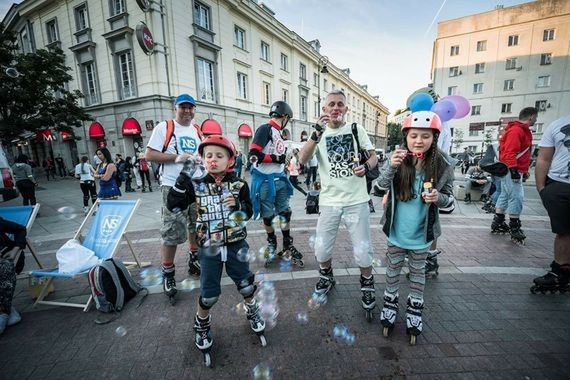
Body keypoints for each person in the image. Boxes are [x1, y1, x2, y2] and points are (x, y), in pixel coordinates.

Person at [166, 135, 264, 364]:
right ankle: (201, 322)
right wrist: (183, 177)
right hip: (208, 248)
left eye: (219, 156)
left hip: (235, 244)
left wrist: (238, 206)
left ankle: (252, 309)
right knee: (209, 294)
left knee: (246, 284)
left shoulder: (240, 184)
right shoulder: (196, 184)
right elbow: (173, 204)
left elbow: (248, 213)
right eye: (208, 155)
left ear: (230, 160)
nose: (213, 160)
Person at [376, 110, 454, 344]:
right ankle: (389, 306)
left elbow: (450, 202)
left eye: (425, 136)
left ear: (434, 138)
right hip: (396, 233)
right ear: (406, 137)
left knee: (418, 276)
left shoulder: (442, 165)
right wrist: (390, 166)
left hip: (422, 236)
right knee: (392, 272)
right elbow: (378, 187)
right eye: (414, 135)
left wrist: (438, 198)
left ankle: (414, 312)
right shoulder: (398, 160)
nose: (419, 140)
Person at [298, 90, 378, 319]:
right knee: (321, 248)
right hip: (330, 201)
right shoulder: (318, 134)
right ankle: (326, 276)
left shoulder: (355, 129)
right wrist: (315, 134)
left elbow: (372, 157)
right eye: (331, 104)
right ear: (324, 110)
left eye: (340, 105)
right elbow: (302, 160)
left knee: (363, 251)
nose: (335, 108)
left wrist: (367, 166)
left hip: (356, 200)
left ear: (345, 109)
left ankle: (367, 283)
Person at [145, 93, 203, 301]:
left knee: (195, 225)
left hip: (196, 185)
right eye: (183, 107)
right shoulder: (164, 127)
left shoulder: (197, 130)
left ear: (194, 109)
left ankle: (194, 259)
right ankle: (168, 273)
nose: (187, 111)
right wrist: (179, 157)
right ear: (175, 108)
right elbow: (149, 155)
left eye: (191, 108)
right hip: (172, 186)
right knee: (171, 232)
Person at [249, 100, 303, 267]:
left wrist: (281, 162)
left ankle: (287, 243)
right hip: (265, 182)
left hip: (280, 179)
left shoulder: (278, 133)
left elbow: (275, 156)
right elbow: (253, 154)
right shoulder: (265, 129)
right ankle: (272, 243)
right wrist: (275, 158)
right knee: (269, 216)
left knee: (285, 212)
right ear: (285, 117)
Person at [531, 115, 570, 294]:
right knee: (563, 232)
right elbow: (544, 158)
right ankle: (560, 271)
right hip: (560, 184)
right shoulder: (557, 124)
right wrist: (542, 188)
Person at [490, 107, 537, 245]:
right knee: (516, 196)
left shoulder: (518, 130)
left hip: (511, 169)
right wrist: (514, 169)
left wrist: (523, 170)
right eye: (535, 118)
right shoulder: (517, 130)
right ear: (531, 117)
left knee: (505, 194)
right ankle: (514, 226)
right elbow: (510, 152)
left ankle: (498, 222)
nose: (536, 120)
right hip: (511, 169)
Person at [0, 217, 26, 335]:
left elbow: (20, 229)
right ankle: (7, 310)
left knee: (5, 267)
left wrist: (15, 250)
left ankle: (4, 312)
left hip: (8, 257)